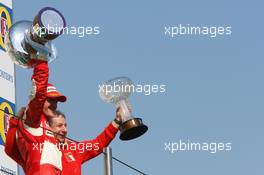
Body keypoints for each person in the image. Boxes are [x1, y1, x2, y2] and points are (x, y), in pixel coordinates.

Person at [5, 60, 67, 175]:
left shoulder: (49, 129)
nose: (54, 105)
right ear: (41, 101)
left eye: (56, 101)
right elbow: (38, 91)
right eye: (50, 100)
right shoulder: (34, 118)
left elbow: (9, 150)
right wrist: (42, 60)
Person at [49, 110, 121, 175]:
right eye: (59, 126)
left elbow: (98, 144)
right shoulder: (41, 147)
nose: (65, 130)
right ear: (49, 128)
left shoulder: (74, 149)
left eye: (65, 125)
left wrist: (117, 120)